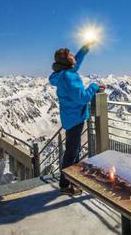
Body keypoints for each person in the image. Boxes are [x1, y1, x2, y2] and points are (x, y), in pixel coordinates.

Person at [49, 43, 104, 196]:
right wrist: (94, 86)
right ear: (67, 62)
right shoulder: (69, 76)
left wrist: (85, 48)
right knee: (72, 152)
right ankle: (65, 184)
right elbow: (82, 98)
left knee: (75, 150)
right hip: (75, 118)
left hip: (70, 117)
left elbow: (76, 62)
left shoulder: (62, 73)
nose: (74, 57)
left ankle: (73, 179)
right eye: (71, 55)